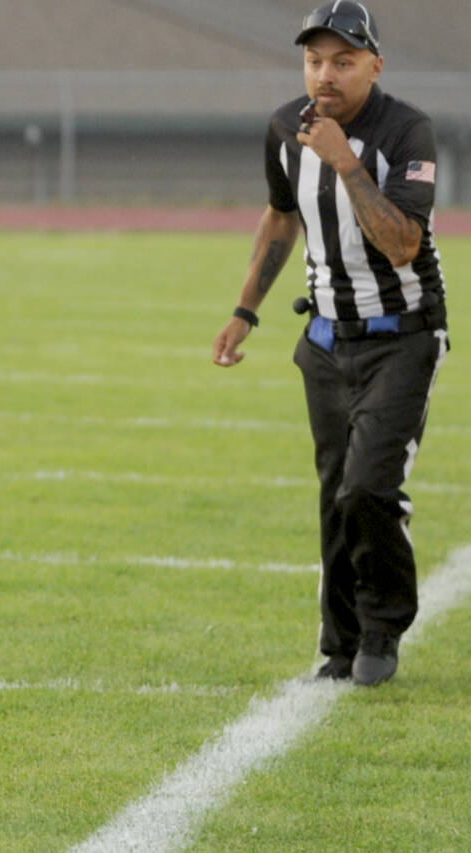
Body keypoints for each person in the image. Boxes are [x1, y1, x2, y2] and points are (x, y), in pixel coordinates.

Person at [212, 2, 450, 687]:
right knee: (334, 494)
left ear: (374, 66)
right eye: (315, 60)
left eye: (343, 61)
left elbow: (404, 242)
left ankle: (382, 627)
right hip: (325, 339)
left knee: (369, 486)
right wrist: (244, 309)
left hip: (403, 335)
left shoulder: (408, 131)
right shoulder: (287, 127)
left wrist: (347, 162)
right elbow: (281, 214)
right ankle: (340, 643)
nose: (326, 74)